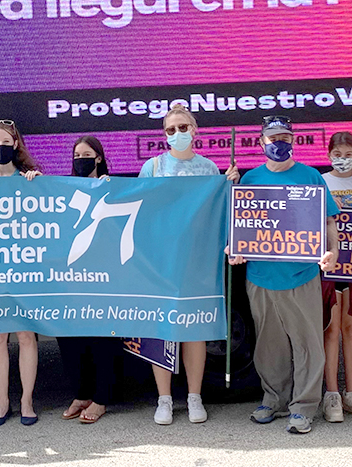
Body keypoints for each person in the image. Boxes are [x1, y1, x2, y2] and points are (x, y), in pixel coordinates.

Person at [228, 115, 339, 434]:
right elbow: (239, 227)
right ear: (261, 142)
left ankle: (303, 407)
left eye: (286, 138)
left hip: (301, 274)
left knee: (307, 343)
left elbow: (330, 222)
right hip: (260, 277)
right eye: (273, 138)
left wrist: (332, 251)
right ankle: (274, 400)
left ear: (293, 141)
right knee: (268, 344)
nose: (279, 143)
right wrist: (234, 248)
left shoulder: (310, 177)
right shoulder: (248, 180)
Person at [138, 104, 238, 425]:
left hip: (198, 260)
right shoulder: (152, 167)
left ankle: (194, 396)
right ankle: (164, 399)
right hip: (162, 261)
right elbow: (140, 211)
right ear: (164, 135)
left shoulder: (209, 169)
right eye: (170, 130)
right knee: (163, 329)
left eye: (183, 127)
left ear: (194, 130)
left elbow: (216, 212)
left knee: (194, 329)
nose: (177, 134)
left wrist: (228, 185)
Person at [0, 120, 42, 426]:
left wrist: (38, 184)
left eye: (6, 140)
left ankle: (26, 400)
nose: (1, 145)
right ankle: (2, 402)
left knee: (27, 335)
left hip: (25, 268)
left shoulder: (30, 180)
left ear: (15, 144)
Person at [57, 136, 115, 424]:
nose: (81, 159)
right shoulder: (64, 190)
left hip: (104, 275)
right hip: (70, 275)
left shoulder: (114, 189)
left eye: (87, 154)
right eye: (77, 154)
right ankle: (81, 394)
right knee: (70, 337)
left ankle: (101, 398)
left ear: (99, 158)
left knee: (102, 338)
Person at [320, 131, 352, 422]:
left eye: (348, 154)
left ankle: (351, 391)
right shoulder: (322, 182)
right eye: (337, 154)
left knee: (349, 327)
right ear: (328, 154)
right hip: (333, 264)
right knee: (331, 327)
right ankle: (332, 394)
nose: (342, 160)